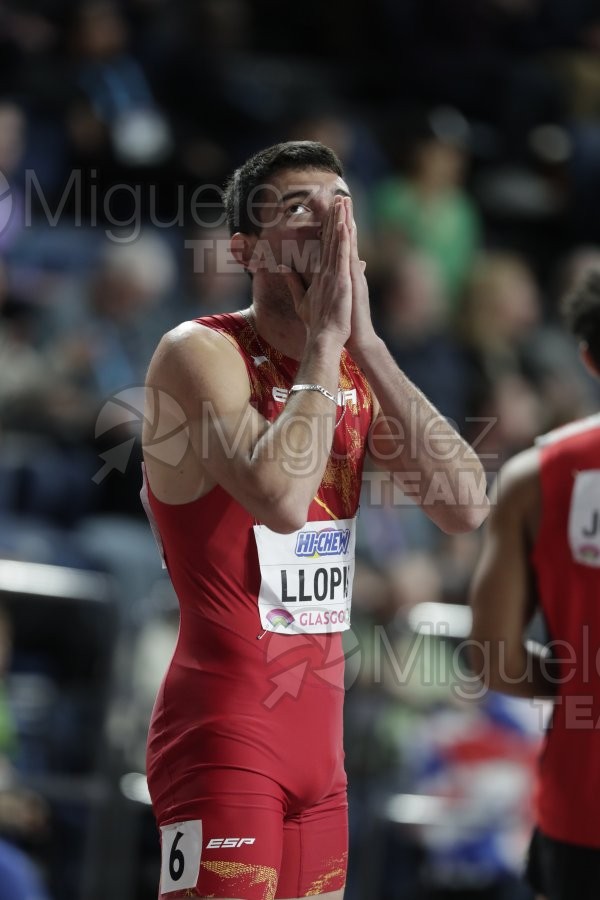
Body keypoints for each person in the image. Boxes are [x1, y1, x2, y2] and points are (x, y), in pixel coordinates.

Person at [141, 140, 489, 900]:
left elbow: (465, 503)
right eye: (299, 208)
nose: (329, 223)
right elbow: (280, 500)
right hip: (224, 731)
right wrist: (328, 341)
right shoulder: (201, 352)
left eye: (341, 206)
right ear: (246, 248)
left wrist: (364, 341)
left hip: (319, 748)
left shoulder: (354, 368)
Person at [469, 269, 600, 900]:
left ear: (588, 360)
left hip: (581, 815)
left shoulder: (532, 479)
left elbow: (493, 659)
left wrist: (581, 679)